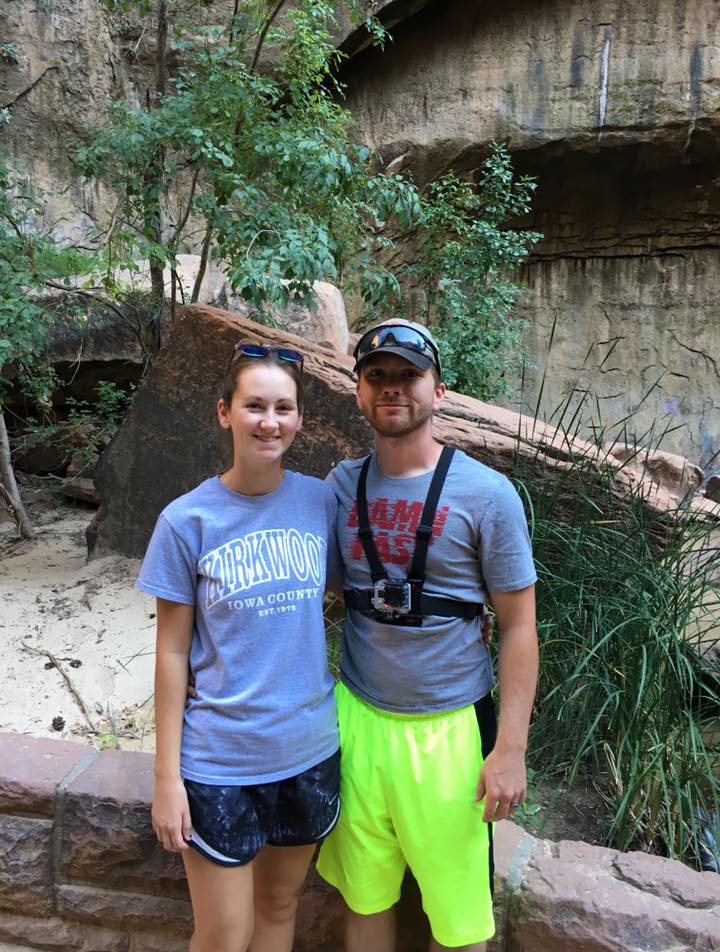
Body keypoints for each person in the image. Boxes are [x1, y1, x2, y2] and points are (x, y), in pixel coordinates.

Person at [316, 319, 538, 952]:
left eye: (409, 375)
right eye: (377, 376)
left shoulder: (487, 494)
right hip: (356, 721)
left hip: (450, 730)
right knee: (365, 897)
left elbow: (519, 625)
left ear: (438, 391)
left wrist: (511, 750)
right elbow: (307, 594)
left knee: (460, 921)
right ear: (358, 392)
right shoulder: (339, 487)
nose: (393, 388)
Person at [136, 342, 341, 952]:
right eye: (255, 405)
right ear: (225, 412)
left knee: (279, 911)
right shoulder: (186, 520)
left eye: (284, 407)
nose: (269, 421)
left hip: (309, 750)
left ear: (300, 419)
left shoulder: (319, 503)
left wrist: (470, 615)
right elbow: (171, 653)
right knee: (224, 935)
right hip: (219, 763)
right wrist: (166, 778)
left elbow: (356, 591)